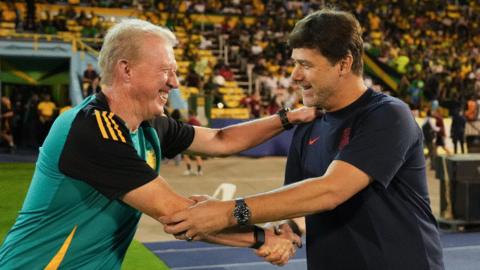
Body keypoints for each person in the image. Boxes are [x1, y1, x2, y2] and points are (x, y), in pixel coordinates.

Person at [0, 19, 316, 269]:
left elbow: (222, 139)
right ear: (125, 70)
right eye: (166, 70)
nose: (175, 82)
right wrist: (263, 237)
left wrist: (289, 117)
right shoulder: (92, 130)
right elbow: (179, 215)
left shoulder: (150, 126)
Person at [161, 9, 445, 270]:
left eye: (305, 65)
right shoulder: (307, 126)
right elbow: (299, 206)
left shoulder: (387, 115)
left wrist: (229, 212)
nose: (295, 76)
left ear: (344, 64)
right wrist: (288, 232)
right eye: (295, 64)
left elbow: (330, 190)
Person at [182, 109, 204, 176]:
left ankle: (189, 170)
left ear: (189, 115)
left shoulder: (189, 121)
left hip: (190, 141)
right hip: (198, 141)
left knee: (185, 155)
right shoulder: (198, 122)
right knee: (198, 156)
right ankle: (199, 171)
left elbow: (186, 131)